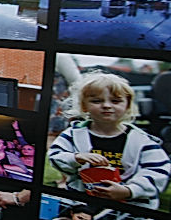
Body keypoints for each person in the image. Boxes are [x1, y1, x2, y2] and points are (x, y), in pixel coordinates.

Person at [47, 72, 171, 210]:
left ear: (127, 105)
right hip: (83, 204)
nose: (106, 105)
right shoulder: (73, 134)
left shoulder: (142, 141)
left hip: (130, 208)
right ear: (84, 106)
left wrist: (129, 190)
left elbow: (158, 170)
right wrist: (76, 158)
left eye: (115, 101)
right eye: (97, 101)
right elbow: (55, 156)